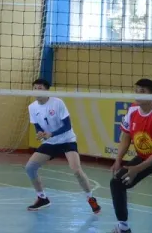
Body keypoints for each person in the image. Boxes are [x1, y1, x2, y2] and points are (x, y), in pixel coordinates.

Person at [25, 78, 101, 213]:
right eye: (35, 88)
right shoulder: (32, 107)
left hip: (67, 140)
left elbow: (67, 126)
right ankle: (42, 198)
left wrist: (52, 134)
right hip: (50, 142)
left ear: (47, 90)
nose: (36, 91)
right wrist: (40, 133)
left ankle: (90, 198)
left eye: (40, 88)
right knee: (30, 168)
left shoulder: (57, 103)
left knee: (76, 170)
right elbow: (37, 127)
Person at [109, 78, 152, 233]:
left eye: (142, 91)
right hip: (145, 157)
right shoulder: (133, 109)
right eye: (136, 90)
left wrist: (138, 168)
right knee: (117, 183)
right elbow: (126, 136)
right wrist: (118, 160)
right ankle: (123, 227)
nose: (137, 94)